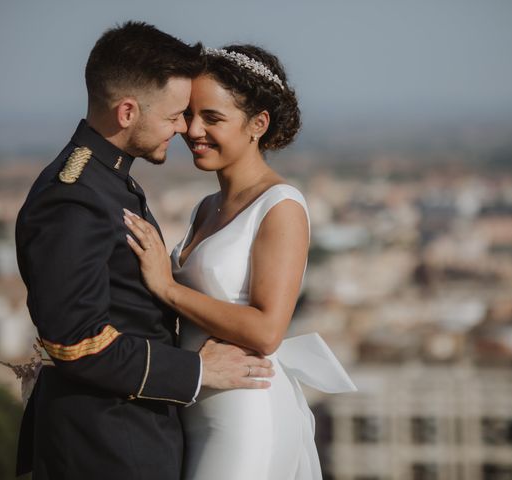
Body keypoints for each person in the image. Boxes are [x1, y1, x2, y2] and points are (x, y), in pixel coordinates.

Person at [13, 23, 274, 480]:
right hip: (107, 445)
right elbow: (75, 341)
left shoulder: (105, 181)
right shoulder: (74, 196)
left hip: (127, 434)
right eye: (175, 115)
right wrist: (193, 370)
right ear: (128, 111)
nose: (184, 128)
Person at [124, 44, 356, 480]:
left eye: (212, 118)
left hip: (247, 417)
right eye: (189, 115)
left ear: (258, 124)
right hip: (196, 411)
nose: (193, 130)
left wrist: (167, 287)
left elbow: (268, 332)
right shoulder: (206, 207)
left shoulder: (281, 205)